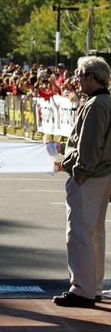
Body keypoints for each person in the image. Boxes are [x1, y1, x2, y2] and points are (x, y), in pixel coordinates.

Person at [52, 55, 111, 308]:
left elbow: (90, 145)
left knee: (79, 233)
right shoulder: (103, 101)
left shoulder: (96, 104)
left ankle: (83, 289)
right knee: (94, 233)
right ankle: (93, 286)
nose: (77, 80)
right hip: (102, 174)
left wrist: (78, 171)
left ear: (92, 77)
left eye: (80, 76)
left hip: (91, 175)